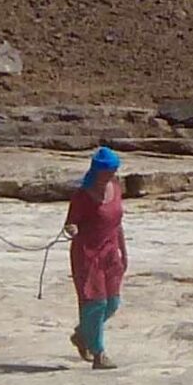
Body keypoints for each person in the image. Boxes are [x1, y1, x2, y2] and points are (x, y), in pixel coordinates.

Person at [64, 147, 127, 370]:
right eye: (108, 171)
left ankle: (83, 334)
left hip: (111, 252)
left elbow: (117, 222)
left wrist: (123, 252)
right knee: (95, 302)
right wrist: (71, 228)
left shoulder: (116, 189)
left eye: (113, 170)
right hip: (88, 254)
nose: (111, 175)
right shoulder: (83, 195)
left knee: (112, 302)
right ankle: (99, 353)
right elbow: (71, 223)